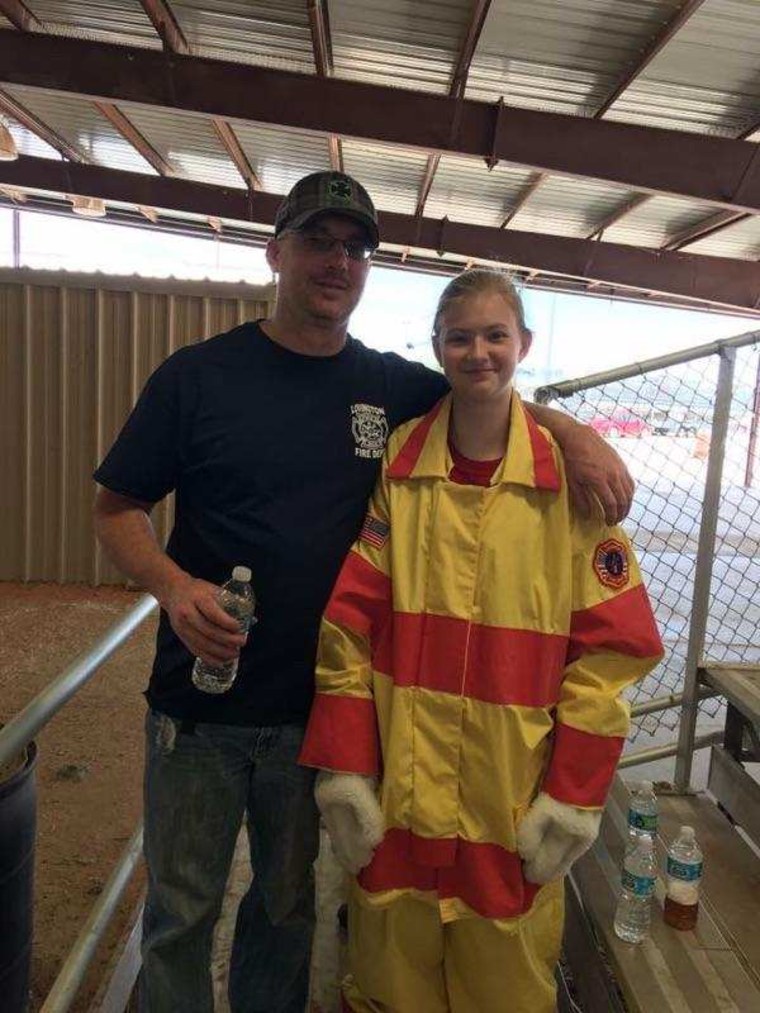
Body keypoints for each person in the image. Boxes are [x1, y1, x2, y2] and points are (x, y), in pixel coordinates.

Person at [92, 172, 635, 1013]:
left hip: (315, 718)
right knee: (180, 913)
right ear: (277, 252)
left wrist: (574, 433)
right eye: (317, 241)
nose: (337, 261)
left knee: (285, 907)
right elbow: (116, 506)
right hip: (200, 708)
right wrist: (172, 586)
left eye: (355, 248)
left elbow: (490, 390)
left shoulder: (392, 388)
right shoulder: (196, 378)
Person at [300, 268, 663, 1012]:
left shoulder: (569, 483)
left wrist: (571, 796)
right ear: (437, 348)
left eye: (496, 335)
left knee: (506, 986)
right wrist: (343, 770)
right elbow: (349, 629)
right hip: (400, 807)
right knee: (386, 986)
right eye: (460, 337)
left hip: (510, 809)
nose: (478, 352)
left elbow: (612, 654)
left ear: (523, 343)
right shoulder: (400, 466)